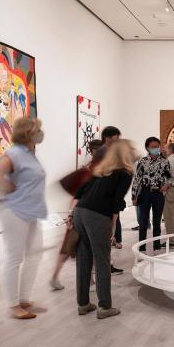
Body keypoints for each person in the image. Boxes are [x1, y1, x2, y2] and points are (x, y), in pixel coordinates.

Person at [0, 117, 47, 319]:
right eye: (38, 129)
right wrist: (6, 187)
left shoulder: (30, 154)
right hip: (15, 211)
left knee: (35, 254)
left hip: (31, 211)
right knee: (14, 257)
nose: (41, 133)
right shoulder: (14, 152)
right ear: (28, 132)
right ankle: (13, 304)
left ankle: (23, 298)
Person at [72, 139, 135, 319]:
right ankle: (105, 306)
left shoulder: (99, 169)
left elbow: (79, 192)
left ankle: (83, 304)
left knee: (83, 259)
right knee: (102, 260)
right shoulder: (125, 172)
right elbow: (116, 201)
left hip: (80, 212)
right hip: (97, 216)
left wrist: (72, 215)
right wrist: (113, 226)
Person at [50, 139, 104, 290]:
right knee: (71, 246)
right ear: (94, 151)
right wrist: (71, 214)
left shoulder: (90, 170)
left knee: (78, 245)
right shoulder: (89, 171)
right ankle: (55, 276)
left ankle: (90, 279)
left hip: (84, 212)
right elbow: (76, 194)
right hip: (82, 213)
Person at [132, 137, 171, 252]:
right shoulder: (142, 161)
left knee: (157, 221)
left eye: (157, 146)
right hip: (145, 193)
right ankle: (142, 246)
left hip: (158, 194)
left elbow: (169, 176)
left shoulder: (164, 161)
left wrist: (166, 185)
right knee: (143, 221)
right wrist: (134, 196)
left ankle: (157, 245)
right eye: (153, 147)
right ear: (147, 148)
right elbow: (137, 179)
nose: (156, 149)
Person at [99, 126, 124, 256]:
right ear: (108, 138)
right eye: (116, 137)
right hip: (103, 198)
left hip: (111, 197)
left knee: (113, 224)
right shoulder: (103, 152)